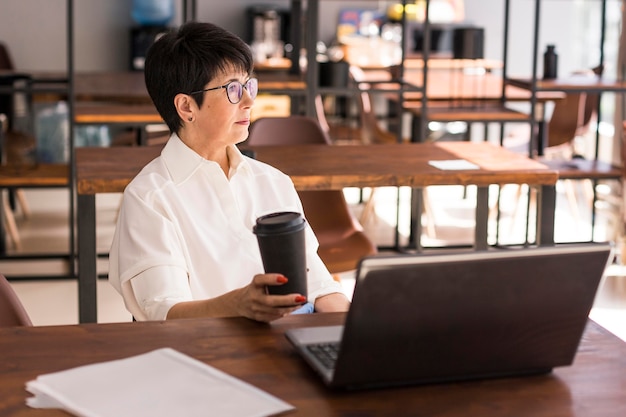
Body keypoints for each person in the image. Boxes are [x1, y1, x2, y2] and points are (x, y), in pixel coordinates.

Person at [108, 21, 350, 322]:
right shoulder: (149, 198)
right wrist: (238, 305)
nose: (249, 101)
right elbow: (164, 313)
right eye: (232, 90)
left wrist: (353, 326)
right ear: (186, 107)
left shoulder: (273, 182)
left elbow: (318, 284)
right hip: (207, 355)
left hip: (288, 344)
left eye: (249, 85)